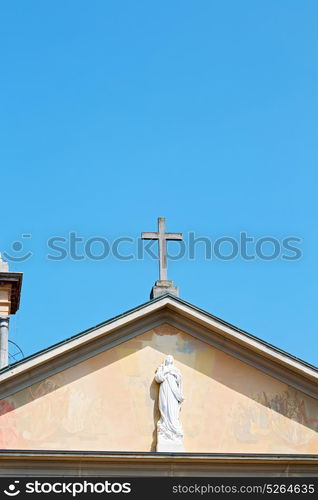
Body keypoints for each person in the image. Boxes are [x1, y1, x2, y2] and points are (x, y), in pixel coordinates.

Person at [155, 355, 184, 442]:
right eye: (167, 358)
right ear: (165, 360)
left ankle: (173, 427)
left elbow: (180, 379)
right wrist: (165, 372)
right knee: (164, 405)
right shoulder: (162, 368)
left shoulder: (175, 370)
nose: (169, 359)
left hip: (173, 391)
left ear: (172, 361)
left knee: (172, 408)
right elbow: (158, 378)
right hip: (164, 388)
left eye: (170, 358)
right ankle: (165, 424)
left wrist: (173, 374)